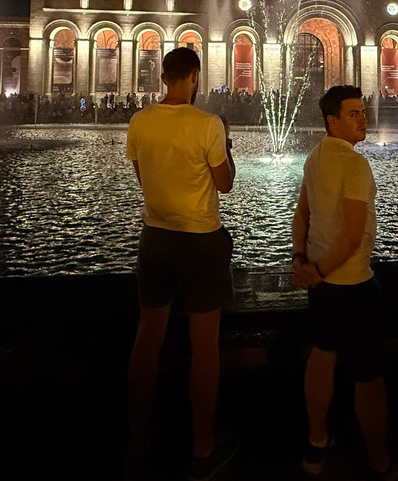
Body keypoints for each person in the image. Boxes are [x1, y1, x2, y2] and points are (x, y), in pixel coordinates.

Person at [124, 46, 239, 481]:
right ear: (192, 77)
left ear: (163, 77)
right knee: (204, 346)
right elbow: (225, 184)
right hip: (200, 242)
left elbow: (142, 177)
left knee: (146, 339)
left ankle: (137, 443)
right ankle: (203, 448)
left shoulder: (139, 121)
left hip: (155, 238)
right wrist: (226, 145)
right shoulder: (208, 124)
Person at [291, 85, 398, 480]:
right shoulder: (355, 165)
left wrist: (302, 262)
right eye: (353, 113)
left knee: (321, 358)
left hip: (322, 288)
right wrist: (319, 271)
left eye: (362, 111)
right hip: (354, 284)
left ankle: (316, 444)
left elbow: (300, 216)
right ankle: (379, 461)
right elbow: (354, 235)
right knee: (369, 378)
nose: (363, 118)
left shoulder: (314, 157)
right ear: (332, 121)